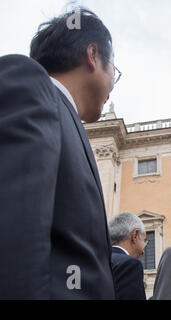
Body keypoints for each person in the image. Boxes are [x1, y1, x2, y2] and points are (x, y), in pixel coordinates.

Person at [0, 8, 119, 299]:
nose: (113, 86)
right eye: (113, 71)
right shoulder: (29, 84)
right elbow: (14, 230)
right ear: (93, 55)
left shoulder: (65, 118)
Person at [108, 212, 147, 300]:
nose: (143, 251)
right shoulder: (129, 265)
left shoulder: (92, 261)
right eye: (144, 240)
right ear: (135, 235)